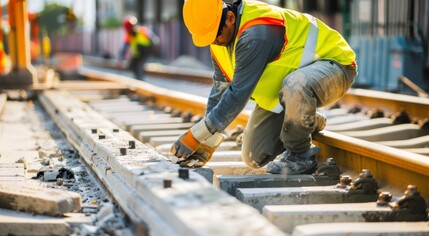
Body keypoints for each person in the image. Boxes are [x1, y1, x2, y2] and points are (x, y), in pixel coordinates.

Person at [171, 0, 358, 175]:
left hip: (335, 68)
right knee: (254, 155)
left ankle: (300, 156)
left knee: (296, 84)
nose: (215, 41)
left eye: (215, 35)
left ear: (230, 18)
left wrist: (196, 134)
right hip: (291, 86)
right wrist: (206, 143)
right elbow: (220, 91)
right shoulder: (219, 41)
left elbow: (237, 94)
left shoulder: (256, 32)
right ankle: (307, 119)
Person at [119, 16, 159, 81]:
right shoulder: (129, 35)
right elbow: (124, 48)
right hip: (137, 53)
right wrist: (120, 58)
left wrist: (155, 48)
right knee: (132, 65)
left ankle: (140, 79)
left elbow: (154, 39)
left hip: (144, 52)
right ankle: (137, 78)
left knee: (139, 65)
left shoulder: (142, 30)